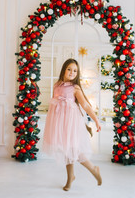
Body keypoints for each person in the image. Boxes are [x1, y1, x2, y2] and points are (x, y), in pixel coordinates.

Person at [43, 58, 102, 191]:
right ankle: (71, 177)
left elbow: (85, 106)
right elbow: (54, 105)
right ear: (64, 69)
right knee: (66, 150)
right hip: (59, 123)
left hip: (71, 124)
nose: (71, 72)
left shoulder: (75, 88)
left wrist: (96, 120)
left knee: (74, 150)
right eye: (69, 69)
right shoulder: (56, 85)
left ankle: (93, 169)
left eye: (75, 71)